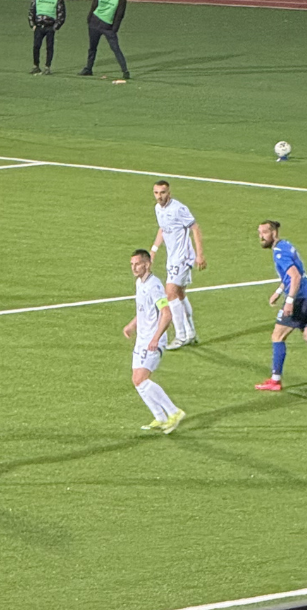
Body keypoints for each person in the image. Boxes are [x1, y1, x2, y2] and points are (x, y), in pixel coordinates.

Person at [255, 221, 307, 393]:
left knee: (277, 336)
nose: (261, 237)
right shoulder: (286, 245)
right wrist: (278, 291)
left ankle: (275, 380)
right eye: (259, 233)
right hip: (306, 298)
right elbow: (292, 275)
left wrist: (289, 301)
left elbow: (295, 277)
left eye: (264, 233)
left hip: (298, 301)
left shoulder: (280, 252)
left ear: (274, 233)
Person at [122, 250, 187, 433]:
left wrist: (156, 338)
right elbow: (144, 309)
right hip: (142, 339)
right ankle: (160, 417)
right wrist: (131, 325)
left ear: (147, 264)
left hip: (152, 340)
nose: (134, 268)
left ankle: (174, 412)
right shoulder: (139, 283)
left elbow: (166, 314)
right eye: (132, 264)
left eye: (137, 264)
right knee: (137, 381)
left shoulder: (154, 286)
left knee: (141, 380)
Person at [149, 180, 206, 349]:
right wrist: (153, 250)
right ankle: (191, 333)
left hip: (182, 257)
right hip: (172, 257)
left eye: (162, 192)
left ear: (169, 193)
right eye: (156, 193)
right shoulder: (158, 209)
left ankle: (180, 335)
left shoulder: (179, 209)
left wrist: (200, 255)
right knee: (180, 294)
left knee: (170, 293)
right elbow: (162, 229)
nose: (159, 196)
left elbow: (195, 228)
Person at [79, 0, 129, 80]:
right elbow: (94, 6)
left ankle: (125, 71)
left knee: (115, 48)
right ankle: (88, 68)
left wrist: (114, 29)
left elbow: (120, 15)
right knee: (92, 47)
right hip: (95, 23)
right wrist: (89, 19)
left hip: (108, 27)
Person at [28, 0, 66, 75]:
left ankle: (47, 67)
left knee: (49, 47)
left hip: (50, 26)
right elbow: (32, 10)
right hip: (39, 25)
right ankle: (36, 66)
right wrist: (32, 24)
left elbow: (61, 13)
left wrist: (55, 27)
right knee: (36, 46)